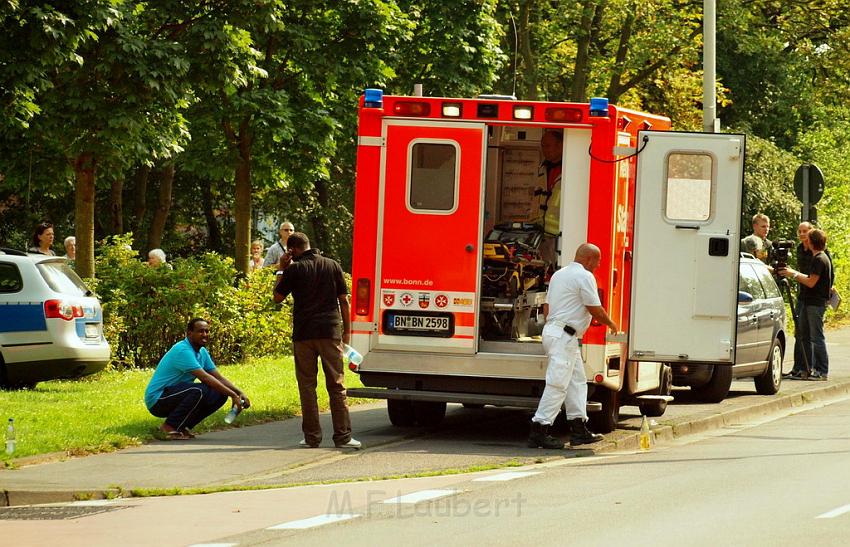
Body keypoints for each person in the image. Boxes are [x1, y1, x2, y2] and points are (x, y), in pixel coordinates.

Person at [273, 232, 360, 449]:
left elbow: (277, 297)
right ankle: (343, 437)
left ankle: (312, 437)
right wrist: (347, 333)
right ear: (309, 245)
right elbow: (344, 301)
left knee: (307, 386)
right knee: (337, 385)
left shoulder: (294, 269)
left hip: (304, 335)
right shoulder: (333, 265)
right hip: (330, 332)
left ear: (291, 250)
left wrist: (282, 268)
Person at [528, 243, 618, 449]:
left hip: (556, 332)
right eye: (597, 261)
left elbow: (547, 305)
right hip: (564, 336)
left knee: (577, 381)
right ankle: (539, 428)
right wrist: (611, 323)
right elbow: (594, 308)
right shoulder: (585, 277)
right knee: (558, 384)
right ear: (588, 259)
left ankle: (579, 429)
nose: (598, 265)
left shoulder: (559, 275)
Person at [144, 318, 250, 439]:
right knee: (200, 390)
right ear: (189, 333)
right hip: (158, 399)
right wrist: (234, 395)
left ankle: (182, 427)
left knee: (220, 394)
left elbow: (218, 378)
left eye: (207, 331)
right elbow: (205, 378)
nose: (205, 334)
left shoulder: (202, 352)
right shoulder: (183, 350)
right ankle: (168, 427)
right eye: (200, 331)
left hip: (176, 394)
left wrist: (239, 393)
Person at [779, 228, 831, 381]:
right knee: (804, 335)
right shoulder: (818, 258)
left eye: (807, 238)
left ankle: (821, 371)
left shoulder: (820, 259)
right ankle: (806, 368)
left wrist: (793, 274)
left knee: (816, 337)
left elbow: (811, 282)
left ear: (812, 242)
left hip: (815, 303)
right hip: (809, 302)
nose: (805, 241)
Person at [534, 130, 563, 265]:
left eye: (547, 146)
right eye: (542, 145)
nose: (543, 149)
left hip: (560, 234)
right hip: (541, 233)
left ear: (560, 145)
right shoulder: (543, 168)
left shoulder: (569, 169)